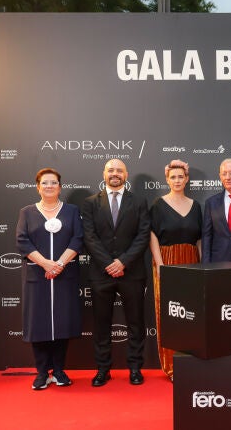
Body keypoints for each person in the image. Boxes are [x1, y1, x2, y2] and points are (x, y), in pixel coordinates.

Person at [81, 159, 151, 387]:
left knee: (135, 323)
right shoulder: (90, 203)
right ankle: (103, 369)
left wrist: (123, 262)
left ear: (126, 175)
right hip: (101, 273)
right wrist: (108, 264)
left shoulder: (139, 202)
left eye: (119, 170)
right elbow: (89, 237)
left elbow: (143, 235)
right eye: (111, 170)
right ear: (104, 173)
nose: (115, 173)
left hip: (132, 272)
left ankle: (135, 368)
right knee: (101, 324)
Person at [16, 168, 83, 390]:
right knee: (38, 323)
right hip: (37, 276)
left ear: (60, 187)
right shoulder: (27, 212)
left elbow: (77, 239)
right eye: (44, 183)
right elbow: (22, 241)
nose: (49, 186)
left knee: (62, 322)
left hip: (65, 276)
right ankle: (42, 372)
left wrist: (59, 264)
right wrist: (46, 264)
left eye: (53, 182)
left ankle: (59, 370)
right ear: (38, 187)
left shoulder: (71, 211)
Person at [149, 160, 202, 382]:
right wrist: (160, 265)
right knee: (171, 314)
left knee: (192, 315)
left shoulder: (196, 206)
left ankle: (191, 361)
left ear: (187, 179)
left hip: (192, 263)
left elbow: (199, 239)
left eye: (181, 177)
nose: (177, 180)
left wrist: (202, 265)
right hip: (167, 262)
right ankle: (172, 365)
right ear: (167, 179)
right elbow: (152, 235)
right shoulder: (158, 204)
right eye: (173, 177)